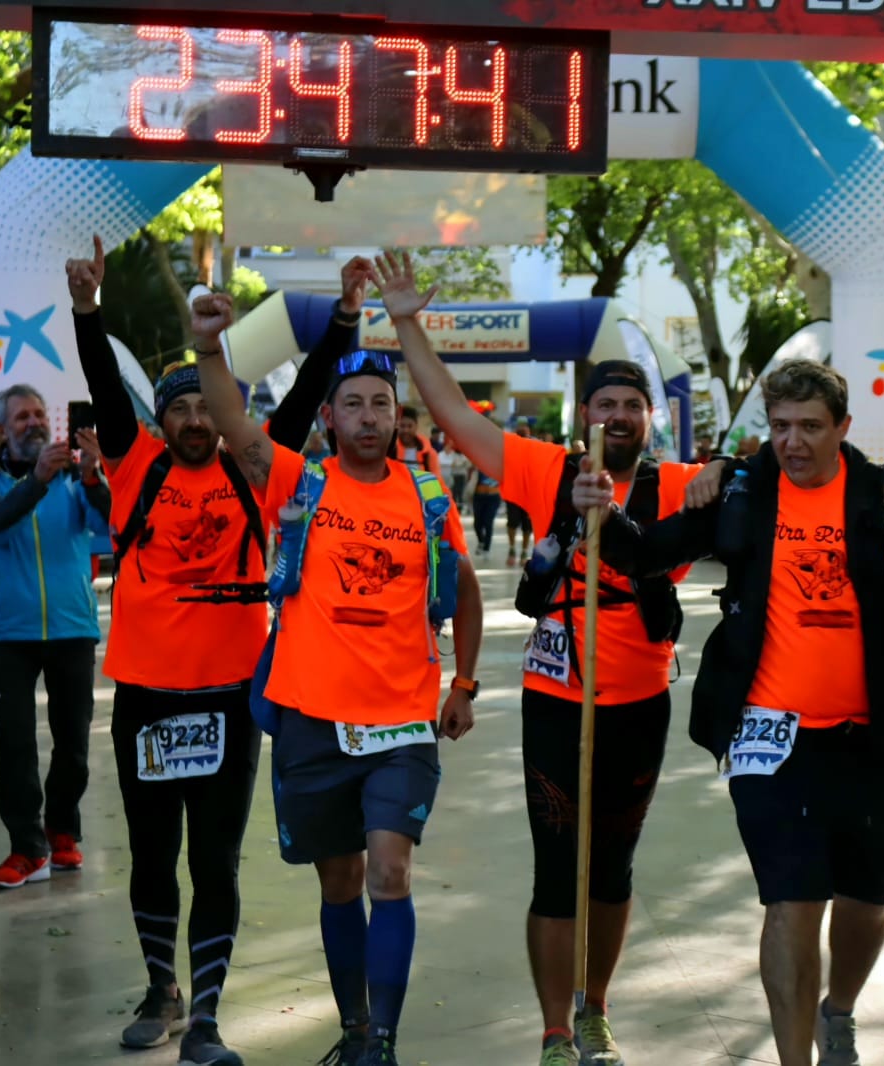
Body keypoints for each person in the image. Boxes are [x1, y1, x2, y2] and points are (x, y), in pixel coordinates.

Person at [578, 359, 884, 1066]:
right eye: (780, 426)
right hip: (770, 737)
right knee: (793, 902)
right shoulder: (744, 491)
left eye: (810, 426)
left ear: (843, 427)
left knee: (864, 903)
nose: (793, 441)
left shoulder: (883, 492)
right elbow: (646, 554)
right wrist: (600, 509)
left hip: (871, 738)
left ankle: (839, 1012)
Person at [380, 245, 726, 1066]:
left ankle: (596, 1009)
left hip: (640, 699)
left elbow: (761, 482)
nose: (615, 415)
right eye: (602, 402)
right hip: (554, 697)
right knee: (554, 870)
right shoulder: (547, 472)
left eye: (629, 405)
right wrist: (405, 324)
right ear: (584, 416)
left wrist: (722, 471)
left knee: (612, 869)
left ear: (649, 418)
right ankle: (555, 1032)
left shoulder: (680, 486)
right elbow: (458, 416)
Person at [194, 280, 483, 1066]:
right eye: (351, 405)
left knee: (391, 872)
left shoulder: (427, 498)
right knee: (341, 881)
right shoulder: (300, 482)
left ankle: (381, 1043)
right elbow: (229, 421)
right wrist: (210, 346)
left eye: (378, 406)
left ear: (397, 417)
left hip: (401, 721)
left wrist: (463, 682)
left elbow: (462, 588)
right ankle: (354, 1029)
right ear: (329, 418)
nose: (366, 418)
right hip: (310, 718)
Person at [70, 235, 333, 1063]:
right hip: (146, 695)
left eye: (203, 411)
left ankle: (209, 1018)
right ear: (160, 422)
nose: (191, 421)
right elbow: (106, 389)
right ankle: (162, 988)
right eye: (178, 409)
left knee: (214, 860)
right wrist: (88, 311)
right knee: (152, 856)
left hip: (228, 696)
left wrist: (346, 324)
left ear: (221, 422)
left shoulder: (255, 474)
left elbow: (301, 405)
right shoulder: (134, 466)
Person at [0, 383, 112, 889]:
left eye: (39, 415)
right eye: (22, 417)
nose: (33, 423)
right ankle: (26, 848)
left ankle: (62, 832)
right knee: (16, 747)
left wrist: (92, 476)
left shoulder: (75, 476)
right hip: (10, 632)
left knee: (73, 742)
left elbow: (111, 525)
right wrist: (38, 481)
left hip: (72, 626)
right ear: (3, 429)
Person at [506, 421, 535, 566]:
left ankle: (524, 551)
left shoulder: (534, 452)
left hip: (528, 494)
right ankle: (512, 549)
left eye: (526, 436)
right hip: (513, 493)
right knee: (512, 522)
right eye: (522, 436)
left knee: (527, 525)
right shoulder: (511, 452)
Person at [395, 405, 441, 478]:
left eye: (410, 426)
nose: (406, 430)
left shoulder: (428, 454)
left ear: (416, 426)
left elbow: (437, 480)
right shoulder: (390, 452)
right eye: (402, 426)